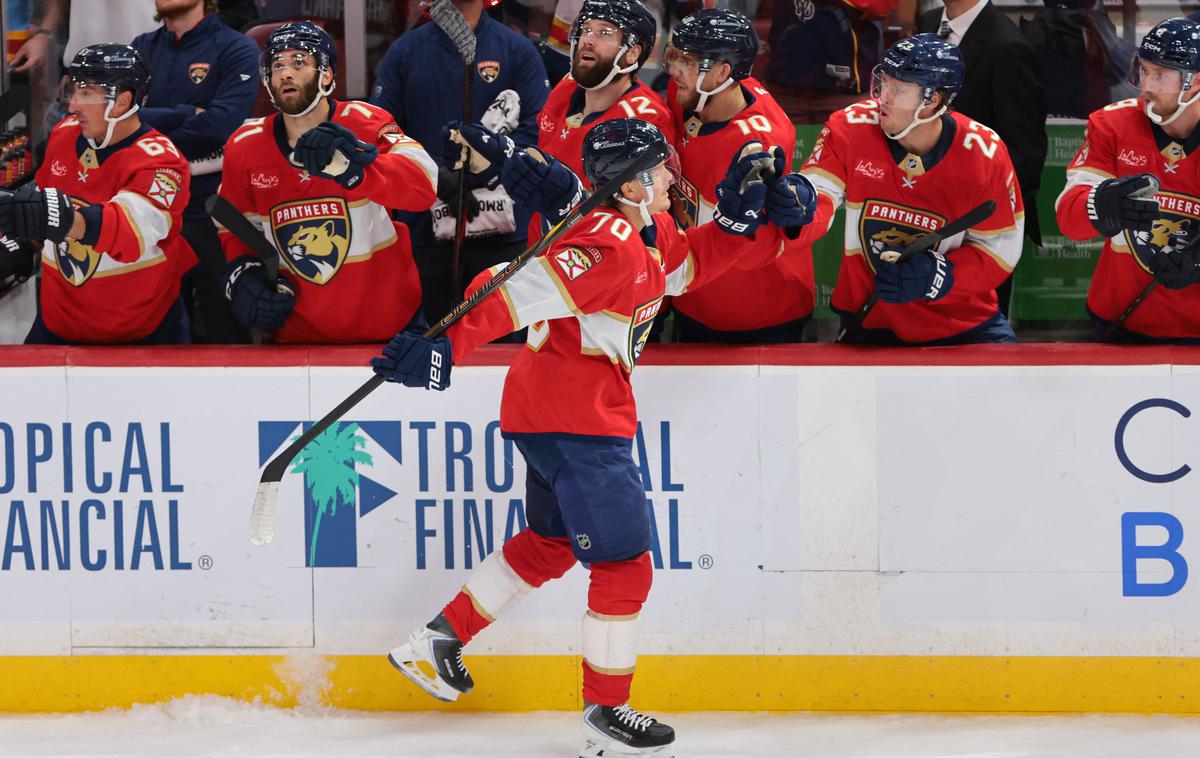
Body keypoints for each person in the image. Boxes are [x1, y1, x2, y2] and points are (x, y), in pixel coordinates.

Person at [374, 118, 812, 757]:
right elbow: (506, 292)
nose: (671, 176)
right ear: (632, 184)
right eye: (661, 168)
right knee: (624, 563)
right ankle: (606, 711)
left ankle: (436, 644)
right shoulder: (610, 246)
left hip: (555, 412)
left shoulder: (647, 231)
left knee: (551, 543)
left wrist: (737, 225)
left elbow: (687, 268)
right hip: (577, 417)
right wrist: (445, 345)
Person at [216, 21, 438, 343]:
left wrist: (355, 172)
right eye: (277, 64)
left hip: (389, 330)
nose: (285, 73)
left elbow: (423, 188)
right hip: (295, 336)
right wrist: (243, 275)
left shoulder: (368, 120)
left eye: (299, 62)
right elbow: (234, 227)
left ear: (327, 75)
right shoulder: (244, 145)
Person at [801, 34, 1024, 344]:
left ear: (932, 101)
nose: (884, 98)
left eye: (899, 90)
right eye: (884, 82)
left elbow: (1001, 251)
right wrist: (797, 199)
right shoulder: (850, 127)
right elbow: (819, 191)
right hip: (871, 319)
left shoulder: (983, 154)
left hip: (963, 327)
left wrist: (942, 275)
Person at [0, 43, 194, 344]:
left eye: (86, 93)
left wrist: (61, 220)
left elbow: (128, 231)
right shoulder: (66, 133)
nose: (73, 105)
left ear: (121, 102)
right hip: (57, 327)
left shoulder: (162, 162)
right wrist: (19, 238)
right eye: (73, 90)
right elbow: (41, 207)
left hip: (137, 335)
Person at [370, 0, 549, 324]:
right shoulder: (405, 53)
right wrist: (436, 175)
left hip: (505, 232)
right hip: (426, 228)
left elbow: (539, 129)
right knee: (431, 340)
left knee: (500, 340)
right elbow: (381, 132)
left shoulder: (518, 51)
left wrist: (486, 170)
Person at [663, 9, 815, 342]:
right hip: (693, 297)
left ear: (722, 73)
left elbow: (756, 249)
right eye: (674, 56)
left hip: (760, 312)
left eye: (687, 62)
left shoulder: (757, 145)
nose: (675, 71)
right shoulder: (692, 94)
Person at [1056, 17, 1200, 342]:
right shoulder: (1113, 124)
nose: (1146, 85)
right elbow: (1068, 219)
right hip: (1123, 321)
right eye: (1143, 70)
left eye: (1160, 75)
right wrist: (1097, 204)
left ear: (1196, 82)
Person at [133, 0, 260, 343]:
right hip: (149, 213)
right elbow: (119, 125)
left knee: (224, 339)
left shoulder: (237, 48)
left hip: (214, 214)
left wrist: (148, 126)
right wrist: (188, 111)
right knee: (153, 340)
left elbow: (218, 127)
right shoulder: (138, 50)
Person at [505, 0, 674, 241]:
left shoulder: (645, 118)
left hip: (597, 257)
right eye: (585, 29)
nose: (588, 40)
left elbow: (646, 214)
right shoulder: (565, 88)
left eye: (605, 32)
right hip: (542, 248)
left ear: (632, 53)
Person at [919, 0, 1047, 312]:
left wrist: (978, 215)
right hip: (918, 208)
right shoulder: (930, 22)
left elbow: (1024, 152)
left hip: (976, 226)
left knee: (976, 334)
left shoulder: (1009, 46)